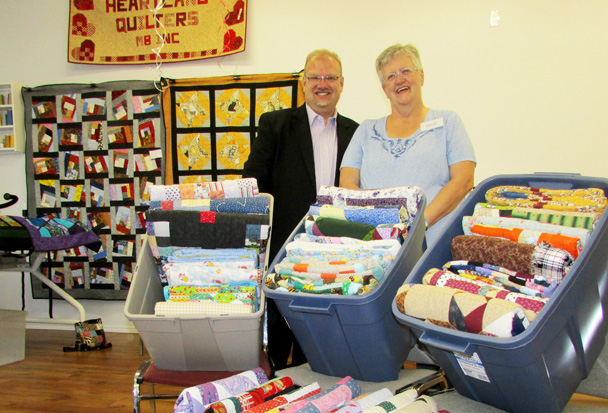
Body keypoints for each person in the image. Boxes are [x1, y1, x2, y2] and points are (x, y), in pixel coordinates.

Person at [242, 49, 359, 369]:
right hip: (284, 247)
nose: (323, 84)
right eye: (315, 77)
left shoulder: (356, 132)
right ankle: (275, 393)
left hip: (333, 248)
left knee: (321, 336)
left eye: (330, 77)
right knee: (279, 337)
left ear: (342, 83)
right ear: (303, 82)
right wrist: (259, 242)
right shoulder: (275, 124)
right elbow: (253, 182)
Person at [340, 44, 476, 246]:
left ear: (421, 76)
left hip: (433, 244)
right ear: (384, 89)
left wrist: (417, 226)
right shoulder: (366, 130)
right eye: (391, 76)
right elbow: (347, 184)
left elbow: (463, 180)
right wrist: (377, 227)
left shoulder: (448, 122)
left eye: (405, 71)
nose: (399, 79)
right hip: (376, 246)